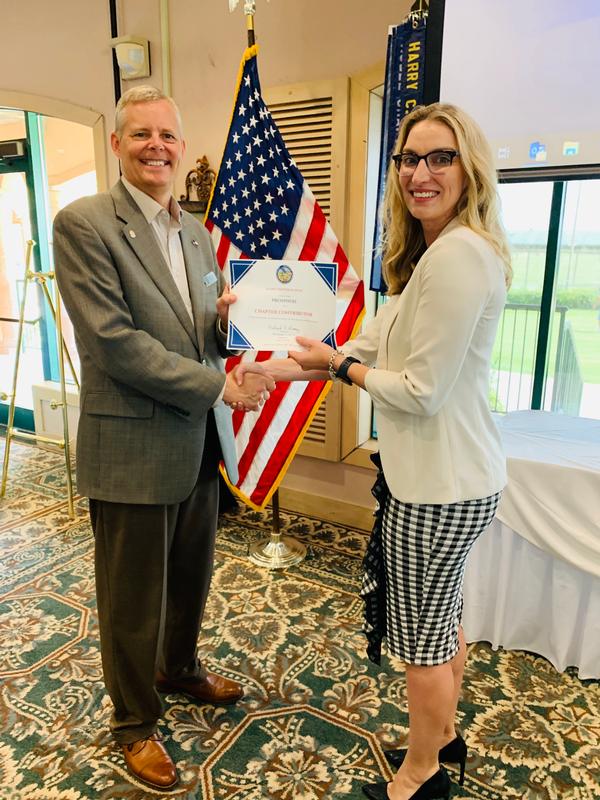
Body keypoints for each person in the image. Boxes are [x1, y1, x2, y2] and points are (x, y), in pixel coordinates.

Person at [232, 102, 511, 800]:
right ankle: (441, 741)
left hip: (438, 487)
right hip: (451, 479)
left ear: (468, 167)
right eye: (409, 159)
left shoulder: (458, 259)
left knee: (420, 639)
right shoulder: (436, 255)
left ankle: (420, 775)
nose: (421, 172)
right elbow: (353, 350)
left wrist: (345, 369)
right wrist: (274, 369)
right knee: (442, 621)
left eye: (439, 157)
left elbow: (417, 390)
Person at [53, 85, 274, 791]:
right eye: (141, 134)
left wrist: (231, 324)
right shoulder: (84, 223)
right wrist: (218, 386)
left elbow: (199, 333)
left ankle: (178, 669)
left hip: (198, 443)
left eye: (168, 136)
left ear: (181, 146)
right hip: (133, 446)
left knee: (190, 576)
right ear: (118, 144)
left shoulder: (198, 232)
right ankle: (134, 723)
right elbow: (116, 344)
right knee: (131, 593)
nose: (157, 147)